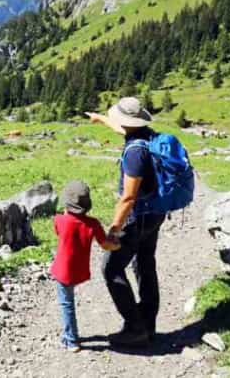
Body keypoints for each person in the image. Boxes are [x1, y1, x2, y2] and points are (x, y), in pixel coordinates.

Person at [86, 96, 168, 348]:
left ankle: (135, 328)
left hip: (137, 218)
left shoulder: (134, 153)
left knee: (111, 268)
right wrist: (100, 119)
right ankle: (148, 324)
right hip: (155, 212)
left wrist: (113, 230)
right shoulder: (148, 135)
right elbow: (121, 127)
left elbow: (128, 197)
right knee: (145, 264)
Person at [49, 180, 120, 352]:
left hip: (62, 270)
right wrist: (118, 245)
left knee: (66, 304)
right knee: (68, 302)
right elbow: (105, 245)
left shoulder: (59, 220)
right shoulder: (93, 224)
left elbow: (58, 231)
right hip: (79, 270)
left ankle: (71, 340)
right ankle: (69, 334)